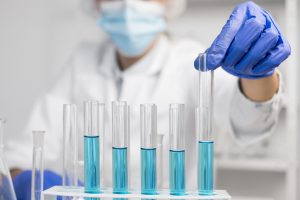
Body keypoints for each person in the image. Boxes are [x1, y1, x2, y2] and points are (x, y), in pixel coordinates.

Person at [8, 0, 290, 199]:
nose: (129, 3)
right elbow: (15, 159)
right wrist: (25, 181)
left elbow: (248, 120)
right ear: (96, 3)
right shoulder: (81, 63)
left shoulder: (190, 62)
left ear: (166, 3)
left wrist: (259, 75)